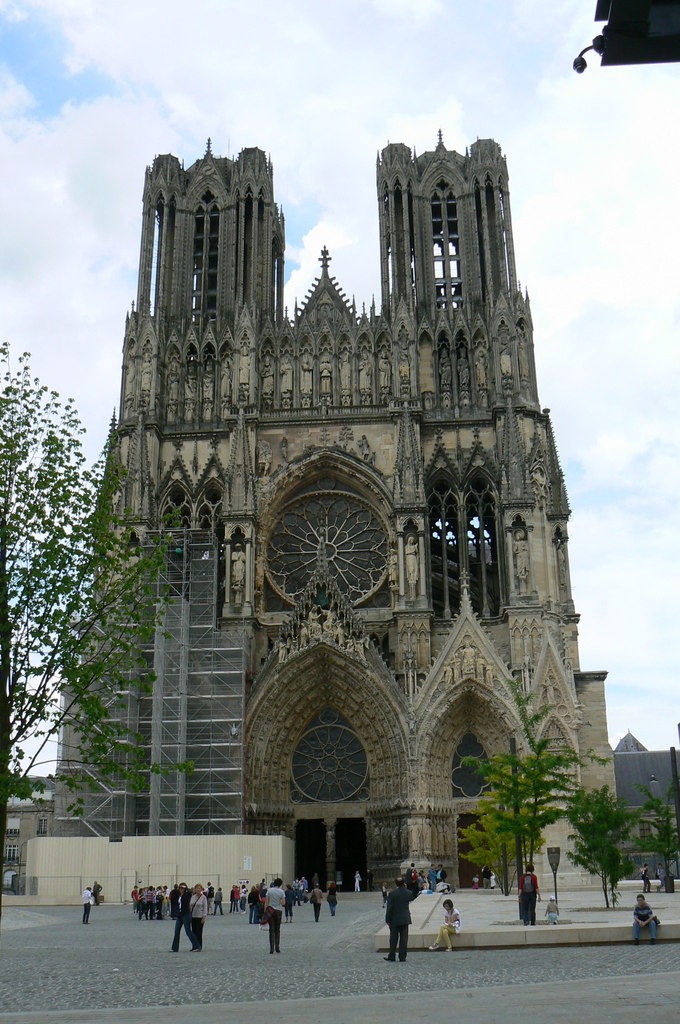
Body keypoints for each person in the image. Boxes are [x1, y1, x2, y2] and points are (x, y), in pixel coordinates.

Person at [384, 877, 416, 962]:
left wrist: (387, 919)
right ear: (404, 883)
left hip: (394, 919)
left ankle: (392, 955)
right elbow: (411, 897)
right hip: (405, 918)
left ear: (396, 884)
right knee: (404, 939)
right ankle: (402, 956)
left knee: (393, 939)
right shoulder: (408, 892)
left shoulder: (392, 894)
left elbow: (389, 908)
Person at [171, 883, 201, 952]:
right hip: (180, 915)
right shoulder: (179, 895)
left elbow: (188, 900)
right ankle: (174, 948)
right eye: (180, 888)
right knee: (176, 931)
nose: (181, 889)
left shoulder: (187, 895)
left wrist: (186, 890)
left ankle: (197, 946)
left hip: (186, 915)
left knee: (188, 931)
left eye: (182, 888)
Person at [265, 877, 286, 954]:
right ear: (280, 884)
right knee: (277, 930)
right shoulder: (282, 892)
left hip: (270, 910)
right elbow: (283, 903)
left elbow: (266, 902)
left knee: (271, 930)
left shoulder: (269, 891)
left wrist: (265, 912)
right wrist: (280, 900)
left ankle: (271, 948)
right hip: (278, 911)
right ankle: (277, 947)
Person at [190, 884, 208, 950]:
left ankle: (199, 946)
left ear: (201, 889)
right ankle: (194, 946)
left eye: (199, 888)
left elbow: (205, 907)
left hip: (200, 917)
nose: (198, 889)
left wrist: (204, 916)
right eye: (196, 888)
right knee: (193, 932)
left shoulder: (203, 897)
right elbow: (190, 906)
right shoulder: (192, 897)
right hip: (193, 916)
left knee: (199, 932)